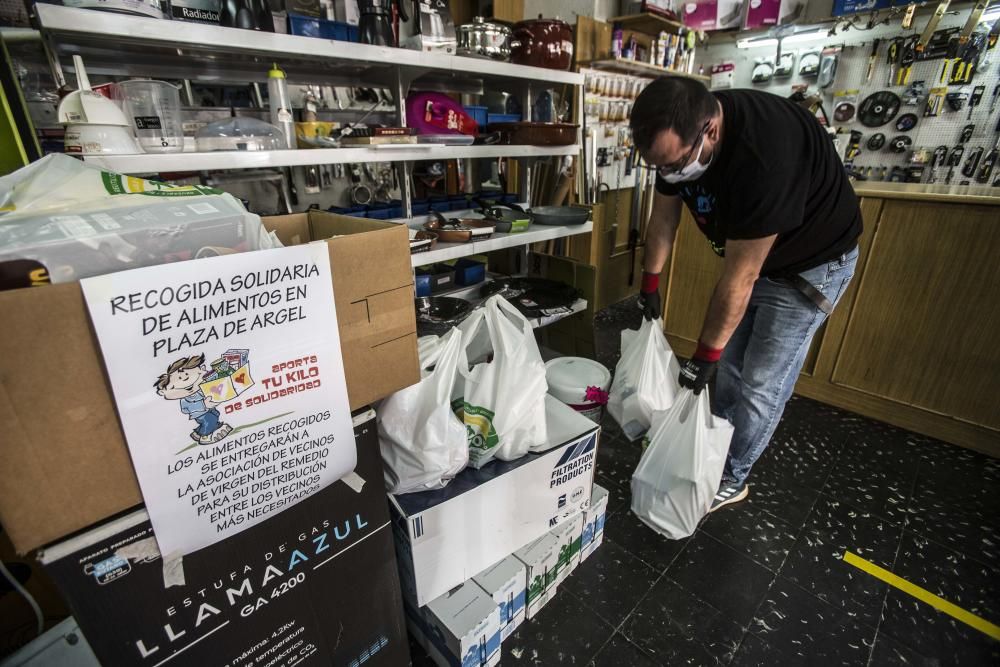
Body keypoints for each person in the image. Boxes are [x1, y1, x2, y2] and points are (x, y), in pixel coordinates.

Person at [629, 77, 862, 511]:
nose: (670, 176)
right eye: (660, 167)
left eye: (676, 165)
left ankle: (732, 477)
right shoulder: (677, 144)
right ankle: (714, 448)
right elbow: (663, 220)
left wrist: (702, 358)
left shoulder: (764, 154)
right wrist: (650, 284)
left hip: (809, 267)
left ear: (710, 132)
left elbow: (741, 276)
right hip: (758, 262)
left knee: (760, 383)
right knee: (732, 368)